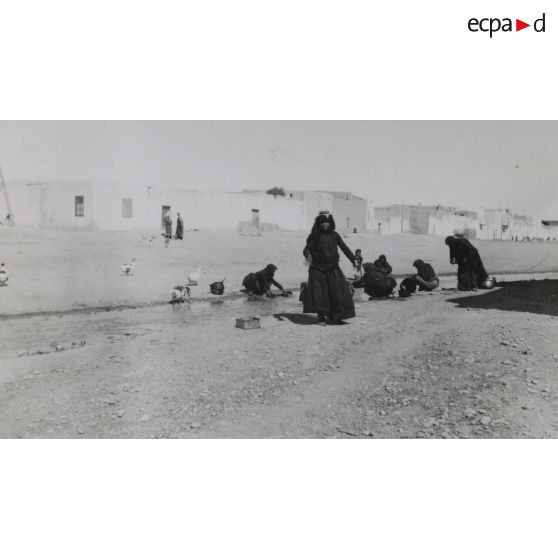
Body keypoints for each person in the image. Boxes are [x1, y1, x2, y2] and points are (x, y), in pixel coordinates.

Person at [302, 212, 357, 325]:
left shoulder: (334, 235)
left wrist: (353, 259)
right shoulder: (314, 236)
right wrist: (308, 255)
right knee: (321, 294)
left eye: (326, 222)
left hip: (333, 268)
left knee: (338, 293)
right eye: (322, 223)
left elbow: (344, 248)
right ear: (319, 224)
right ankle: (321, 318)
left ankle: (337, 317)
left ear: (330, 222)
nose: (325, 224)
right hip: (318, 269)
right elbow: (306, 249)